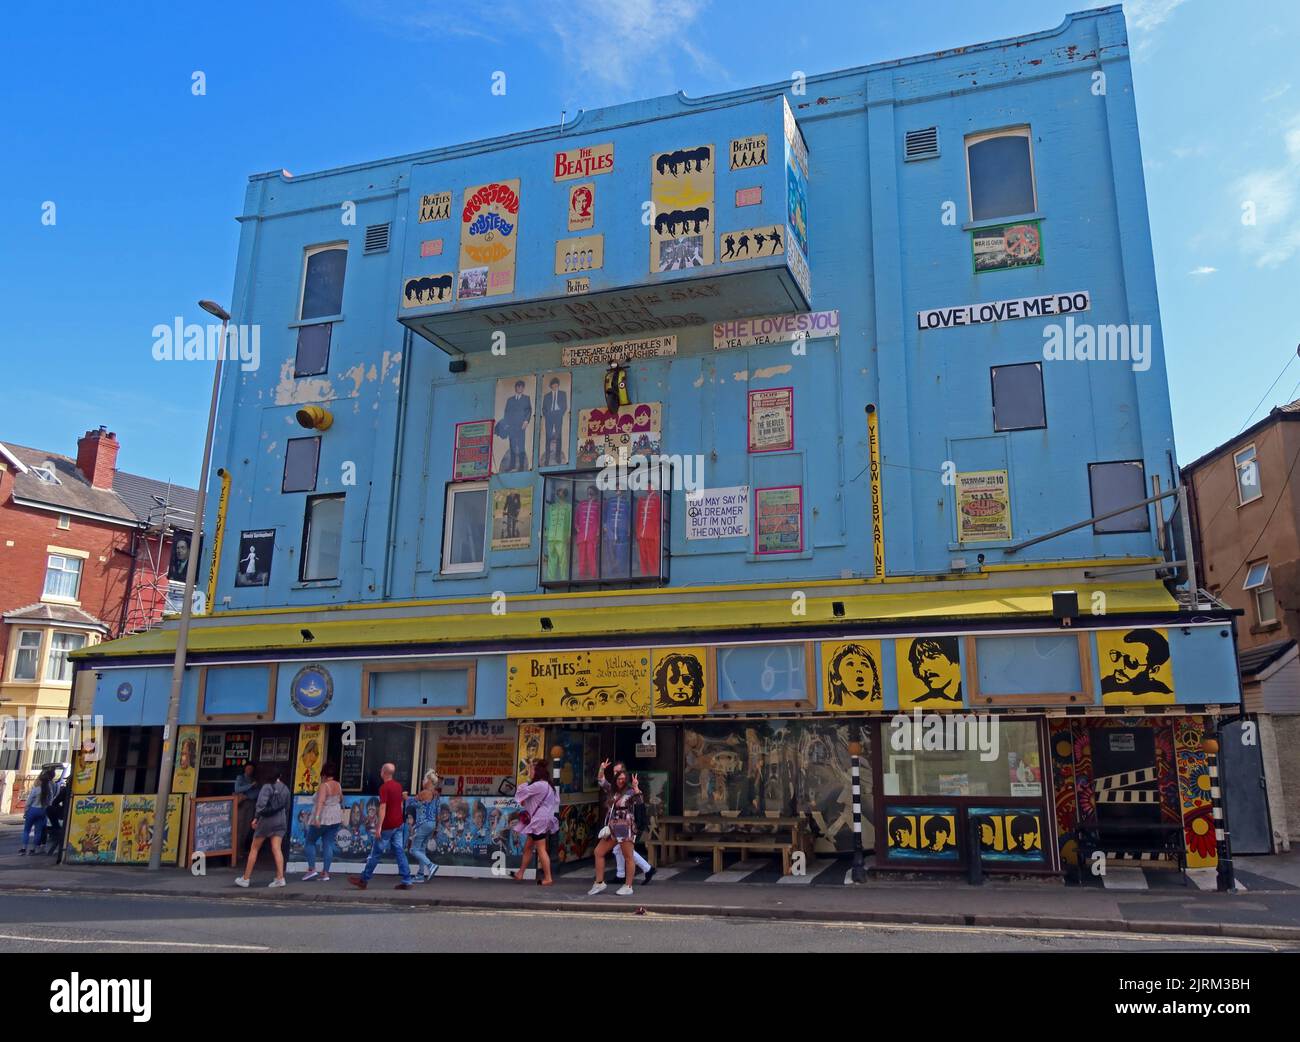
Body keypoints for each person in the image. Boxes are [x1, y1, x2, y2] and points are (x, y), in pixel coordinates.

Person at [349, 762, 415, 890]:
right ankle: (407, 880)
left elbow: (383, 807)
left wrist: (379, 827)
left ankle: (364, 879)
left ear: (383, 772)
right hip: (398, 824)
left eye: (381, 770)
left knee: (375, 853)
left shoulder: (384, 788)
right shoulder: (398, 786)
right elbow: (400, 804)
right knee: (400, 852)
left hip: (387, 825)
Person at [590, 763, 645, 896]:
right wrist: (602, 767)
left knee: (628, 857)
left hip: (625, 827)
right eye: (618, 778)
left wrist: (636, 787)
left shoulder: (630, 792)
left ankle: (628, 885)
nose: (620, 781)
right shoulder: (611, 790)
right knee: (598, 852)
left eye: (623, 779)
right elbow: (601, 780)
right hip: (613, 827)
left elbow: (640, 802)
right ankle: (599, 883)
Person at [236, 767, 290, 888]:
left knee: (254, 848)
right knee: (277, 848)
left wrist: (255, 818)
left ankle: (245, 878)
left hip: (266, 822)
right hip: (281, 821)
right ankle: (280, 878)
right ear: (279, 775)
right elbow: (287, 807)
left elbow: (260, 806)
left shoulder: (267, 787)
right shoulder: (285, 788)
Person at [511, 759, 559, 885]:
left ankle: (548, 878)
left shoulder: (538, 785)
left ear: (537, 772)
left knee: (541, 848)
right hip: (541, 820)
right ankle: (520, 873)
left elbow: (521, 792)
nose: (530, 772)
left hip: (538, 821)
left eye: (532, 770)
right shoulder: (548, 786)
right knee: (528, 847)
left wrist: (526, 780)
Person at [302, 762, 344, 881]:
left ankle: (311, 869)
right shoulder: (338, 785)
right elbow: (341, 799)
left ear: (323, 773)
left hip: (323, 817)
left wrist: (316, 817)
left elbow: (320, 802)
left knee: (310, 841)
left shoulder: (324, 786)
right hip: (335, 818)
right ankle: (325, 873)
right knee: (328, 844)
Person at [1101, 628, 1173, 697]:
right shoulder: (1104, 684)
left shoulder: (1160, 693)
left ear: (1153, 671)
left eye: (1131, 663)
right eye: (1116, 656)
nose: (1119, 667)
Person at [407, 770, 442, 882]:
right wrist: (436, 828)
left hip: (423, 824)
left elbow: (411, 802)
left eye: (424, 779)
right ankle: (420, 874)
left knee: (413, 849)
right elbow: (437, 813)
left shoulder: (425, 792)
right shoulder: (436, 795)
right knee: (421, 849)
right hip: (431, 824)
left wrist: (405, 797)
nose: (423, 781)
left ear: (429, 781)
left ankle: (430, 865)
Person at [19, 766, 61, 854]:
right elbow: (51, 800)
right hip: (42, 810)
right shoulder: (50, 790)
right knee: (38, 831)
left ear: (41, 780)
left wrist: (26, 811)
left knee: (27, 830)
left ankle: (23, 849)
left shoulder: (36, 789)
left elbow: (29, 802)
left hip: (33, 809)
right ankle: (34, 849)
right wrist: (46, 807)